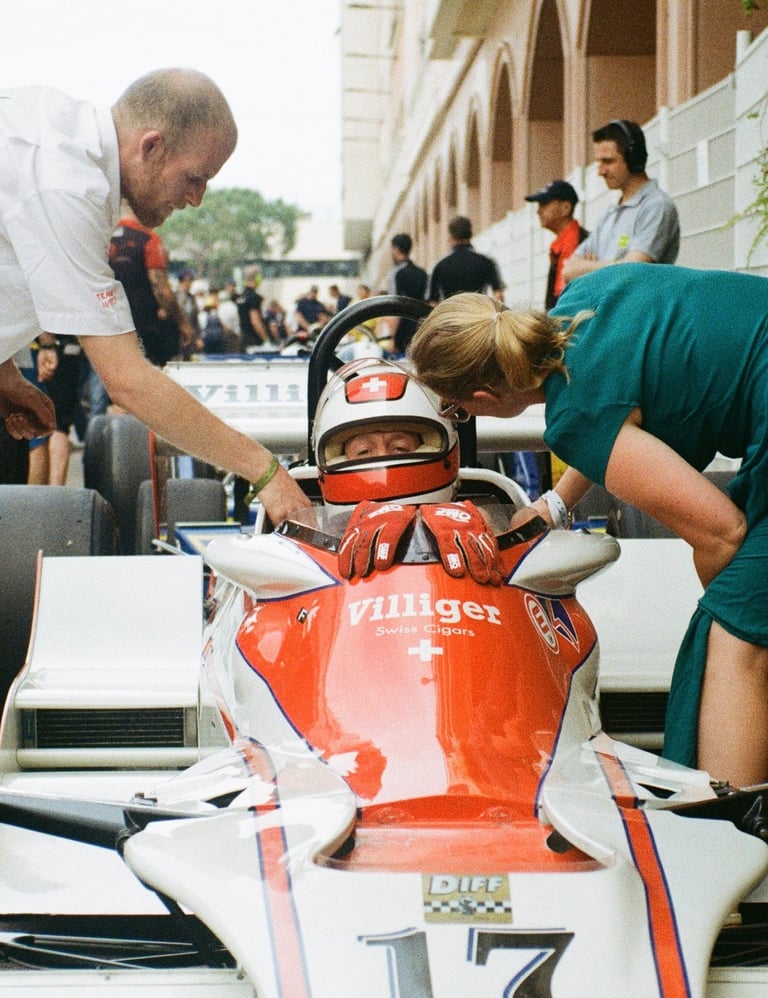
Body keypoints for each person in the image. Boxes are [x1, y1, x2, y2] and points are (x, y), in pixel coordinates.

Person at [407, 266, 768, 788]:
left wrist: (731, 605)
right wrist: (555, 504)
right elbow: (615, 415)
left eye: (454, 406)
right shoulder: (582, 300)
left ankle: (732, 835)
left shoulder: (574, 417)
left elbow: (722, 532)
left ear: (482, 400)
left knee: (733, 638)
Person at [0, 68, 308, 524]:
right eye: (195, 178)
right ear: (151, 147)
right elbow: (126, 380)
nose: (197, 198)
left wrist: (6, 374)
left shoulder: (45, 130)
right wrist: (267, 473)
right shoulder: (67, 184)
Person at [562, 119, 680, 284]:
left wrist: (589, 266)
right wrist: (616, 264)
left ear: (633, 158)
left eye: (608, 161)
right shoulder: (610, 213)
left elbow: (631, 271)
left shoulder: (657, 206)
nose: (600, 172)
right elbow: (568, 271)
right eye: (599, 162)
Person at [109, 206, 196, 367]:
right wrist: (183, 323)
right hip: (141, 327)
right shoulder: (149, 240)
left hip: (105, 325)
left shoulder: (103, 239)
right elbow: (162, 291)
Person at [525, 180, 589, 309]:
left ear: (565, 207)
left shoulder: (577, 242)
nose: (538, 211)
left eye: (544, 204)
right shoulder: (564, 242)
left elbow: (566, 296)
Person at [427, 216, 505, 304]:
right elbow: (498, 295)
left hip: (451, 315)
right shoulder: (486, 262)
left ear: (451, 236)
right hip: (479, 314)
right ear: (470, 234)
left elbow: (433, 303)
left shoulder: (439, 266)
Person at [386, 233, 428, 353]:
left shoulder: (396, 273)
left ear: (396, 249)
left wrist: (392, 337)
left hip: (402, 333)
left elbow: (395, 306)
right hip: (421, 329)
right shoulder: (422, 273)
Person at [236, 266, 269, 349]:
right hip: (255, 341)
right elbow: (255, 321)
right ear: (257, 278)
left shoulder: (241, 296)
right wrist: (266, 339)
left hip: (243, 339)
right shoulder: (254, 297)